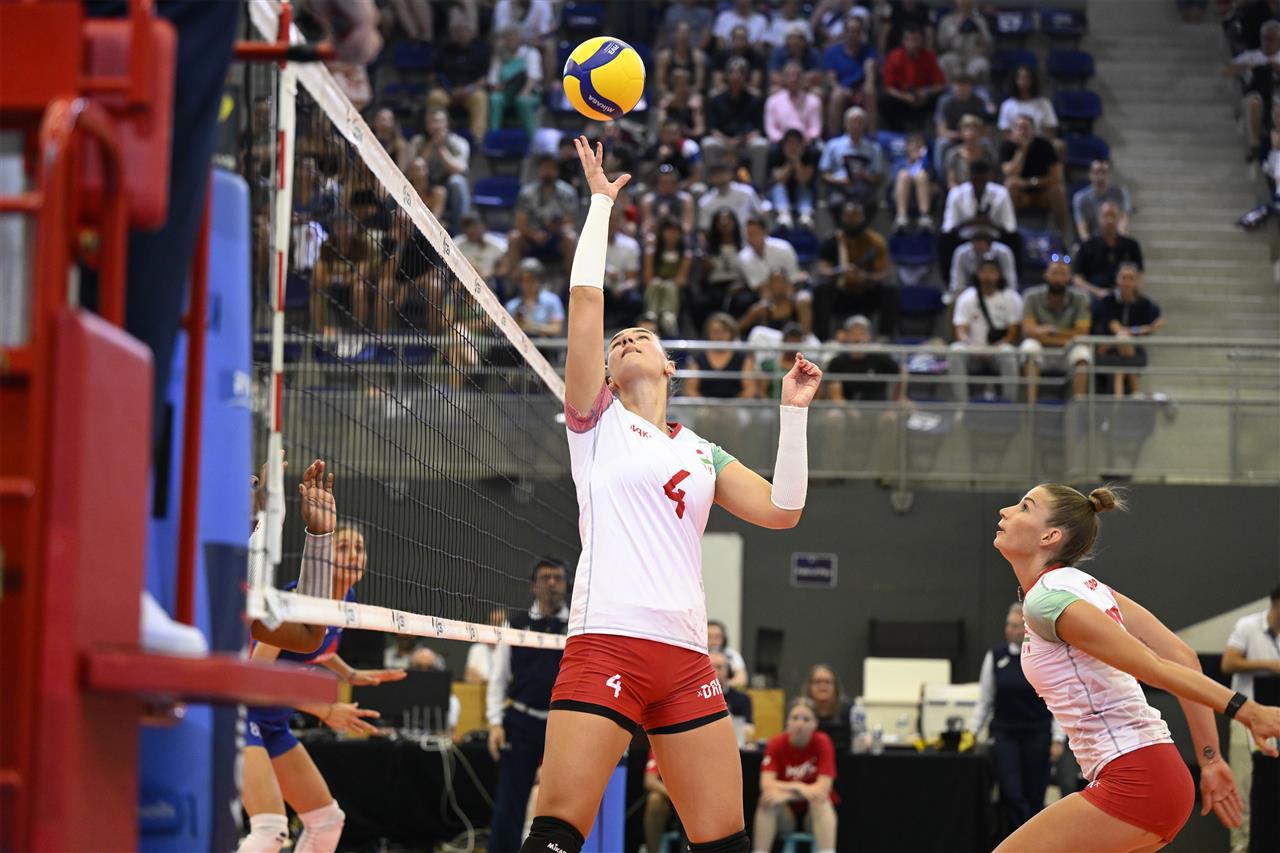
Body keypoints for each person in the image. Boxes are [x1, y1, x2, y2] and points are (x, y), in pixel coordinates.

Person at [519, 137, 822, 853]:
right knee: (557, 832)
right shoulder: (595, 422)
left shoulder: (701, 451)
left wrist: (793, 412)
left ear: (670, 365)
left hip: (687, 658)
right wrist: (601, 204)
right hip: (606, 641)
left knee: (724, 841)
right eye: (619, 340)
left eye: (642, 336)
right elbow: (586, 300)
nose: (626, 339)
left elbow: (784, 509)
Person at [991, 484, 1280, 851]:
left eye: (1024, 507)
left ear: (1050, 536)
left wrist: (1247, 711)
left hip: (1135, 780)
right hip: (1159, 776)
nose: (1005, 511)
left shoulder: (1047, 601)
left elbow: (1155, 667)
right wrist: (1210, 759)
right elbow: (1183, 657)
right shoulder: (1087, 587)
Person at [239, 461, 406, 853]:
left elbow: (317, 647)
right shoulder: (299, 597)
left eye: (359, 548)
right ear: (326, 555)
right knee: (270, 830)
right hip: (245, 715)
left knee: (329, 820)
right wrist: (323, 709)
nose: (353, 555)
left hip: (274, 721)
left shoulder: (345, 601)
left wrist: (350, 674)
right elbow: (257, 673)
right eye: (343, 546)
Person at [486, 558, 570, 853]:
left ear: (566, 585)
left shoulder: (577, 625)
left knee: (562, 803)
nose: (552, 583)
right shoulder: (515, 623)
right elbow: (499, 677)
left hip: (562, 727)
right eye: (545, 577)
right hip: (520, 723)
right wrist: (495, 723)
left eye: (558, 578)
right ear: (534, 585)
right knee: (510, 802)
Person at [970, 603, 1064, 832]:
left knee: (1035, 793)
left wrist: (1058, 738)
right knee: (1011, 791)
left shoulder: (1044, 656)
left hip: (1037, 733)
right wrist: (971, 731)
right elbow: (985, 700)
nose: (1009, 630)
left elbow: (1057, 699)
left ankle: (1033, 840)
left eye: (1015, 626)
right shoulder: (996, 656)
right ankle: (1027, 838)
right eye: (1008, 625)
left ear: (1027, 628)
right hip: (1005, 733)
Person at [1221, 584, 1280, 853]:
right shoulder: (1248, 626)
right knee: (1242, 782)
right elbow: (1228, 663)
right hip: (1245, 717)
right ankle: (1241, 846)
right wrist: (1269, 665)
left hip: (1276, 720)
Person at [752, 698, 838, 853]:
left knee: (821, 800)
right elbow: (766, 784)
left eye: (806, 719)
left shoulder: (823, 742)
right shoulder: (775, 743)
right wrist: (801, 788)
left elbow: (823, 787)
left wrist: (788, 792)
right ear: (787, 722)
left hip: (813, 817)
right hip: (785, 816)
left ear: (815, 723)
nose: (800, 724)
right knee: (768, 799)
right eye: (795, 718)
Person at [813, 201, 895, 340]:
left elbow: (884, 272)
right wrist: (840, 271)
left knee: (890, 291)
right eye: (849, 216)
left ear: (863, 218)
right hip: (841, 292)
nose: (852, 221)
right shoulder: (832, 240)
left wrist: (865, 277)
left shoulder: (876, 241)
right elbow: (822, 269)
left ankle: (884, 338)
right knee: (821, 290)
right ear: (842, 218)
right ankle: (823, 340)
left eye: (856, 216)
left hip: (867, 293)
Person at [1019, 259, 1093, 405]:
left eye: (1063, 274)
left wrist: (1050, 331)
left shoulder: (1081, 298)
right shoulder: (1031, 296)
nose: (1058, 279)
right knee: (1029, 347)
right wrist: (1067, 335)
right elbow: (1028, 331)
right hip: (1042, 350)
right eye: (1054, 273)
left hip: (1068, 350)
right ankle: (1031, 408)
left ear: (1069, 277)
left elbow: (1082, 334)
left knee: (1082, 354)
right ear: (1045, 275)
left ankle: (1079, 408)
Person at [950, 257, 1024, 402]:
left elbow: (1013, 333)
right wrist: (971, 346)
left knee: (1008, 353)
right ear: (977, 274)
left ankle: (1010, 404)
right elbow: (960, 330)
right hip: (973, 350)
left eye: (992, 271)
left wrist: (994, 349)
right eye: (984, 271)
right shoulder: (966, 297)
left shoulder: (1011, 298)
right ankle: (961, 404)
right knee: (955, 350)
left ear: (999, 274)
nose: (987, 275)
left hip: (998, 350)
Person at [1092, 264, 1163, 397]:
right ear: (1117, 279)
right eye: (1123, 278)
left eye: (1131, 278)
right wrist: (1141, 330)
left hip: (1134, 351)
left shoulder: (1145, 304)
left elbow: (1151, 328)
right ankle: (1135, 392)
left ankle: (1118, 401)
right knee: (1123, 340)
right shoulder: (1107, 301)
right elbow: (1116, 328)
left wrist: (1142, 331)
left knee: (1120, 365)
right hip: (1107, 350)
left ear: (1136, 281)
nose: (1127, 283)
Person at [1000, 115, 1069, 239]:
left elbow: (1056, 176)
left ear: (1033, 130)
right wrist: (1022, 150)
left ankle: (1061, 237)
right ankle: (1010, 234)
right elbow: (1009, 173)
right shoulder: (1007, 146)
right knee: (1010, 185)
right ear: (1013, 130)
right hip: (1020, 194)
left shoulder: (1045, 145)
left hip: (1042, 190)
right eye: (1019, 128)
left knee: (1059, 190)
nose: (1022, 131)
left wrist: (1030, 182)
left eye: (1025, 128)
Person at [426, 13, 490, 142]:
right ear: (453, 33)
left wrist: (468, 89)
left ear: (472, 33)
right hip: (447, 91)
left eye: (465, 30)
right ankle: (435, 136)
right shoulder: (444, 51)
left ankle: (478, 139)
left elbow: (483, 78)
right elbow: (433, 75)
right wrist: (449, 90)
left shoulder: (480, 52)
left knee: (481, 97)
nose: (462, 34)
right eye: (458, 31)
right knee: (434, 97)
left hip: (470, 92)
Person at [879, 25, 946, 132]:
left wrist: (926, 92)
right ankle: (897, 131)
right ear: (903, 41)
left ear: (922, 41)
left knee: (942, 96)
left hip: (923, 96)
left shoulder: (929, 56)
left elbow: (940, 84)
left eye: (916, 39)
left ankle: (932, 129)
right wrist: (904, 97)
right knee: (884, 98)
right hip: (902, 97)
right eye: (909, 39)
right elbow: (888, 87)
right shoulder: (894, 56)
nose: (913, 44)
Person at [822, 14, 880, 136]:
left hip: (860, 90)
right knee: (837, 95)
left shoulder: (869, 51)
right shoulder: (832, 52)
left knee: (870, 92)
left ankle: (872, 136)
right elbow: (831, 80)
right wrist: (842, 90)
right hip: (841, 89)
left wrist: (864, 88)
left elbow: (870, 75)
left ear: (861, 33)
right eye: (850, 31)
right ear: (844, 32)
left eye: (857, 31)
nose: (853, 34)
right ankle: (833, 136)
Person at [818, 106, 885, 211]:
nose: (856, 126)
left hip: (864, 189)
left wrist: (865, 176)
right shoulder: (832, 145)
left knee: (870, 202)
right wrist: (840, 181)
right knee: (836, 202)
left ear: (865, 125)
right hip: (839, 188)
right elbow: (823, 174)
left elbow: (879, 176)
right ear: (845, 124)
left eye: (860, 122)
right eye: (853, 122)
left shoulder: (874, 148)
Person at [1072, 203, 1144, 299]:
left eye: (1113, 216)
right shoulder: (1087, 246)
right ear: (1099, 218)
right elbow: (1077, 279)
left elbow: (1140, 274)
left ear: (1119, 219)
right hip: (1094, 297)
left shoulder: (1131, 245)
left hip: (1124, 297)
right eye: (1106, 216)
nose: (1110, 220)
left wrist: (1133, 291)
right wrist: (1098, 292)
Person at [825, 315, 902, 403]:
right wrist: (849, 409)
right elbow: (836, 397)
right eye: (853, 333)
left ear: (869, 336)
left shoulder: (881, 359)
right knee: (834, 412)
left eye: (862, 333)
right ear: (846, 336)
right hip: (846, 407)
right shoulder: (837, 362)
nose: (858, 337)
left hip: (878, 407)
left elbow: (901, 372)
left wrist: (894, 403)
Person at [685, 314, 760, 400]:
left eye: (724, 331)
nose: (719, 336)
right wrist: (706, 406)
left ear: (731, 333)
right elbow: (691, 390)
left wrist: (732, 406)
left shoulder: (743, 358)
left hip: (737, 405)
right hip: (704, 406)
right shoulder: (697, 358)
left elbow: (750, 389)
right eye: (715, 332)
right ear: (708, 333)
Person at [487, 25, 542, 137]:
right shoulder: (499, 56)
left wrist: (525, 92)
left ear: (519, 38)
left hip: (528, 91)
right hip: (506, 93)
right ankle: (494, 136)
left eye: (513, 37)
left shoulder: (531, 53)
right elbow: (493, 79)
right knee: (495, 99)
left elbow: (533, 77)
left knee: (522, 100)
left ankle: (531, 138)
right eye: (507, 38)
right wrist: (496, 86)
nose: (510, 40)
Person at [948, 226, 1018, 301]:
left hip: (998, 291)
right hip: (968, 292)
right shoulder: (961, 253)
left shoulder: (1003, 253)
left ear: (989, 246)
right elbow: (957, 280)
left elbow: (1009, 278)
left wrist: (1008, 296)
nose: (978, 248)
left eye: (981, 246)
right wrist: (962, 296)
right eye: (976, 245)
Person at [767, 128, 819, 230]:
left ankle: (805, 216)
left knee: (803, 187)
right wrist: (790, 163)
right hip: (780, 192)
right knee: (779, 187)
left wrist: (797, 161)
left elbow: (803, 179)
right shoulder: (775, 153)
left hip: (803, 191)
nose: (793, 147)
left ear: (802, 145)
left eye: (796, 143)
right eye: (790, 143)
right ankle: (784, 215)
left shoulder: (811, 153)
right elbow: (779, 179)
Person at [1073, 160, 1132, 242]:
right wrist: (1089, 247)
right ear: (1090, 175)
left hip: (1115, 240)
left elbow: (1123, 223)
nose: (1100, 177)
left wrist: (1121, 244)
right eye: (1096, 172)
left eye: (1104, 172)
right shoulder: (1080, 198)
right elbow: (1083, 230)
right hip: (1092, 241)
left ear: (1109, 175)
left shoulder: (1121, 193)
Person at [504, 258, 565, 339]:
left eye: (532, 280)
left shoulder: (552, 300)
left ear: (539, 280)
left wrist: (531, 327)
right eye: (524, 280)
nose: (528, 284)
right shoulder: (512, 305)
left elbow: (557, 329)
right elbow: (506, 330)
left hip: (545, 345)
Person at [935, 0, 992, 82]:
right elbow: (942, 44)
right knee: (943, 61)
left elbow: (987, 43)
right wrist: (958, 29)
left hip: (973, 55)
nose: (964, 2)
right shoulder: (947, 20)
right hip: (953, 54)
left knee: (982, 64)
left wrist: (979, 50)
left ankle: (973, 88)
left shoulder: (979, 21)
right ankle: (951, 88)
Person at [803, 664, 853, 753]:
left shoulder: (849, 709)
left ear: (835, 687)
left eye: (827, 682)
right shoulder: (801, 710)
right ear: (809, 687)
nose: (823, 685)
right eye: (817, 682)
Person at [892, 132, 934, 232]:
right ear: (907, 147)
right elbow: (894, 179)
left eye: (919, 146)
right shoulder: (900, 162)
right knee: (903, 175)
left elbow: (932, 178)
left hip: (923, 193)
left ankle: (924, 216)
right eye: (913, 145)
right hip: (902, 193)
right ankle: (901, 218)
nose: (915, 148)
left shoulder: (926, 162)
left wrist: (921, 160)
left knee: (922, 175)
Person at [712, 651, 756, 745]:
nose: (714, 671)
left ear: (729, 671)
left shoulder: (743, 699)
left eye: (719, 667)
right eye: (710, 667)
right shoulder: (696, 697)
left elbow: (749, 730)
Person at [465, 607, 509, 683]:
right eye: (493, 622)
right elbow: (469, 676)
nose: (496, 626)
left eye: (500, 622)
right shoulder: (477, 649)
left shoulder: (509, 650)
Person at [708, 620, 750, 688]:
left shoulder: (732, 655)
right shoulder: (696, 656)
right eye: (709, 637)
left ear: (724, 639)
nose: (714, 641)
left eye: (717, 637)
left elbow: (741, 680)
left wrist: (721, 686)